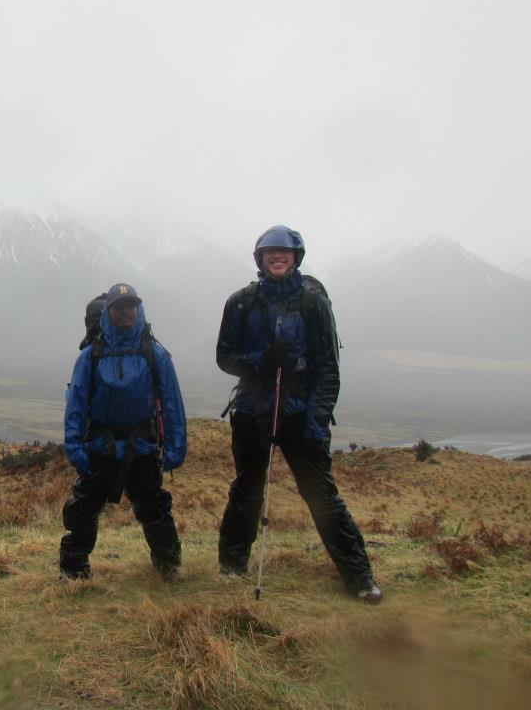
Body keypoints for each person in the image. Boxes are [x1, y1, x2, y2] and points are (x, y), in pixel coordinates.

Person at [215, 226, 382, 603]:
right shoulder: (240, 303)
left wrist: (316, 423)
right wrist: (262, 360)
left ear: (296, 258)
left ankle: (359, 576)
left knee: (321, 494)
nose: (277, 257)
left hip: (299, 412)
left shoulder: (313, 304)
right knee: (247, 489)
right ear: (259, 259)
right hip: (252, 411)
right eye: (270, 252)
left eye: (284, 252)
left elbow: (328, 368)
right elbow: (225, 357)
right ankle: (232, 566)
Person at [60, 283, 186, 581]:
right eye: (119, 307)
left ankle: (168, 568)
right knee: (84, 510)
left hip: (141, 445)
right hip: (100, 447)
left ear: (137, 309)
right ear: (109, 312)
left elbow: (171, 401)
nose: (125, 312)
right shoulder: (91, 356)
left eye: (130, 306)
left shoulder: (155, 354)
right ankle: (73, 572)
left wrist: (176, 446)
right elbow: (76, 402)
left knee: (154, 506)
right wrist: (75, 446)